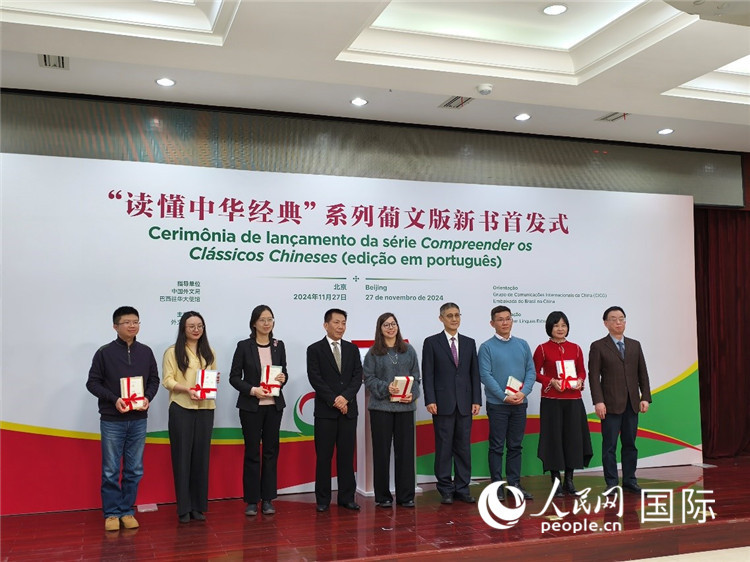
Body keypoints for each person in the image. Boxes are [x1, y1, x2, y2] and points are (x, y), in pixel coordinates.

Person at [86, 306, 160, 532]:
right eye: (127, 322)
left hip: (138, 418)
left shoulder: (146, 351)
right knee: (110, 469)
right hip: (112, 419)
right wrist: (114, 399)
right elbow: (92, 383)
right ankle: (111, 513)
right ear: (115, 326)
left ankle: (127, 510)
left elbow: (154, 380)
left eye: (135, 321)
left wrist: (147, 397)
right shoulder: (104, 353)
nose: (132, 325)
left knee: (134, 469)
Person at [229, 305, 288, 516]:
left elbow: (284, 374)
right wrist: (253, 390)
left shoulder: (279, 346)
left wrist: (283, 378)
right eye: (262, 319)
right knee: (252, 452)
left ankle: (268, 499)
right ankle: (252, 500)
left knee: (271, 452)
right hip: (251, 408)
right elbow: (234, 377)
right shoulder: (244, 346)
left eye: (270, 319)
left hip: (274, 407)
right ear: (254, 323)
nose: (266, 323)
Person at [422, 302, 481, 504]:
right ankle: (446, 489)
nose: (454, 319)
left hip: (465, 403)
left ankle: (463, 488)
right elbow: (428, 374)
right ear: (441, 319)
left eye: (457, 315)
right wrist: (430, 399)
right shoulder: (432, 342)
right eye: (449, 315)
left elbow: (474, 373)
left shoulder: (469, 342)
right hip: (442, 404)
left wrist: (476, 399)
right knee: (444, 448)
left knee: (463, 448)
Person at [589, 306, 652, 494]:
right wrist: (598, 401)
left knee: (630, 444)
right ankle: (611, 483)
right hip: (610, 405)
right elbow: (594, 377)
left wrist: (645, 397)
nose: (618, 322)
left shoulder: (635, 345)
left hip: (632, 404)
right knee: (609, 446)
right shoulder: (598, 346)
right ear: (606, 323)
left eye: (621, 318)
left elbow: (642, 373)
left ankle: (630, 480)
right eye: (614, 319)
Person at [162, 311, 217, 523]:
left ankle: (198, 507)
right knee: (182, 458)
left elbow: (211, 377)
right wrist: (187, 389)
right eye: (191, 326)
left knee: (201, 458)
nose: (196, 330)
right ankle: (183, 508)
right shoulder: (172, 352)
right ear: (183, 329)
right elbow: (167, 380)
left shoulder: (209, 351)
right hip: (181, 407)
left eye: (200, 326)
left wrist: (213, 380)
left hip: (205, 408)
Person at [307, 308, 363, 512]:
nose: (341, 327)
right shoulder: (314, 349)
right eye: (336, 322)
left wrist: (345, 398)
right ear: (326, 325)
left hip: (348, 411)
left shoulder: (352, 349)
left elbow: (357, 376)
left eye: (343, 323)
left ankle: (347, 497)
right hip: (326, 412)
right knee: (324, 457)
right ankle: (322, 500)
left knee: (346, 457)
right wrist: (334, 400)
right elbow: (315, 379)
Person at [363, 312, 421, 508]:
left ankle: (406, 496)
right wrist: (386, 387)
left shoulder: (409, 350)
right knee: (381, 453)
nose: (390, 328)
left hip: (405, 408)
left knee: (405, 454)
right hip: (381, 409)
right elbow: (368, 379)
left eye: (393, 324)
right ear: (380, 329)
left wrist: (412, 394)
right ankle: (383, 496)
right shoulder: (373, 353)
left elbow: (416, 378)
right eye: (386, 325)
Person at [478, 305, 536, 500]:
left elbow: (531, 371)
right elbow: (485, 375)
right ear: (492, 323)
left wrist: (523, 393)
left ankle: (514, 485)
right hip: (498, 405)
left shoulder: (522, 344)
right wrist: (504, 396)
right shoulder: (486, 347)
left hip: (519, 403)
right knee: (496, 447)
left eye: (508, 318)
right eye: (500, 319)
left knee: (515, 446)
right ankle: (496, 486)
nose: (505, 322)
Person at [533, 311, 593, 497]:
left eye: (564, 325)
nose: (560, 329)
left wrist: (580, 380)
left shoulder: (576, 348)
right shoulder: (542, 349)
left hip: (573, 400)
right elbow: (534, 373)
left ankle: (569, 480)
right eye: (556, 325)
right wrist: (550, 381)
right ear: (549, 328)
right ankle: (555, 481)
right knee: (554, 439)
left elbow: (582, 371)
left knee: (573, 439)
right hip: (552, 402)